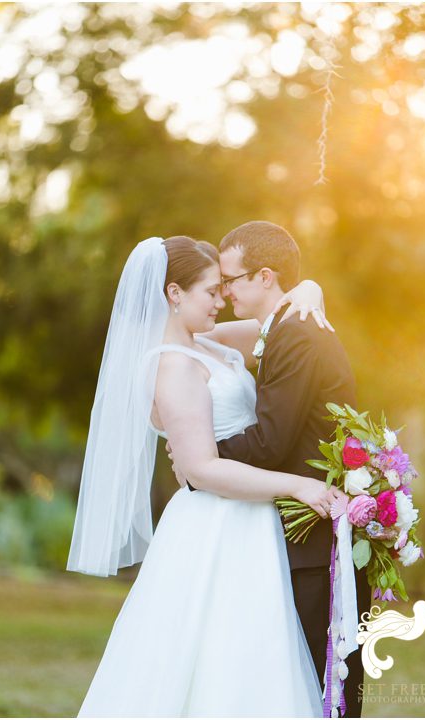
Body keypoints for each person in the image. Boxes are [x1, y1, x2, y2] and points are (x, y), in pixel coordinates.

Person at [68, 236, 345, 717]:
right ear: (174, 294)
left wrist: (309, 289)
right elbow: (199, 469)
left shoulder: (207, 344)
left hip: (252, 519)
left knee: (260, 656)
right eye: (210, 292)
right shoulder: (173, 365)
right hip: (216, 524)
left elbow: (273, 323)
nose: (221, 300)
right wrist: (297, 485)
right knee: (213, 655)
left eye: (223, 289)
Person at [207, 220, 371, 716]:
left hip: (316, 540)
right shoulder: (282, 324)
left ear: (264, 277)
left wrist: (202, 458)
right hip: (304, 532)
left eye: (231, 280)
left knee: (325, 681)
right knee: (301, 681)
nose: (225, 290)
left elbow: (270, 444)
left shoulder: (295, 332)